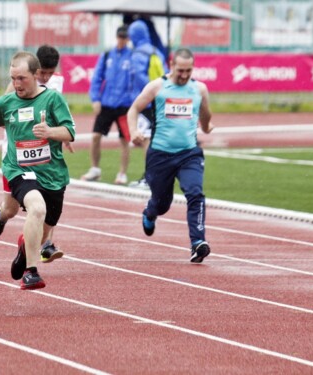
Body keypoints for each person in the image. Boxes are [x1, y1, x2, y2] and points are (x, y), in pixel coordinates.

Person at [0, 51, 75, 290]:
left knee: (44, 225)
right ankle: (31, 272)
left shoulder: (53, 100)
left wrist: (51, 132)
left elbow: (70, 132)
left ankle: (25, 249)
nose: (16, 84)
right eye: (13, 78)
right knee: (36, 207)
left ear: (35, 76)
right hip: (18, 169)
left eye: (22, 78)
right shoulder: (5, 103)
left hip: (52, 174)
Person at [127, 48, 214, 263]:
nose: (184, 75)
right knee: (162, 203)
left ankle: (197, 243)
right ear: (172, 65)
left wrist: (206, 125)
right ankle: (150, 212)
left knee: (195, 193)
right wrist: (134, 132)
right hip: (160, 155)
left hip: (189, 154)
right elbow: (133, 109)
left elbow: (205, 114)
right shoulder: (158, 87)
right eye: (180, 70)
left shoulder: (199, 89)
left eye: (189, 70)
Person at [0, 45, 69, 264]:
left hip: (45, 155)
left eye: (49, 73)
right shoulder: (18, 85)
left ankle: (45, 244)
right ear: (35, 71)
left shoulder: (57, 84)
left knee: (48, 201)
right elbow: (2, 112)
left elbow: (59, 118)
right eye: (42, 72)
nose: (45, 77)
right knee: (11, 209)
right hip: (16, 156)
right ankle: (0, 216)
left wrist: (60, 137)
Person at [81, 25, 134, 185]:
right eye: (120, 37)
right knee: (96, 136)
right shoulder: (106, 55)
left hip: (124, 105)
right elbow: (97, 78)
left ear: (128, 39)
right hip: (106, 103)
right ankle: (95, 169)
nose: (122, 40)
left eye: (125, 37)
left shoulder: (132, 56)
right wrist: (95, 99)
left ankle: (122, 173)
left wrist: (133, 102)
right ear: (116, 37)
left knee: (124, 140)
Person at [126, 19, 168, 190]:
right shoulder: (156, 51)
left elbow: (137, 78)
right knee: (153, 140)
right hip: (159, 101)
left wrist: (146, 94)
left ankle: (150, 178)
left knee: (145, 140)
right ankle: (154, 176)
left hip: (144, 103)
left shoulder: (137, 54)